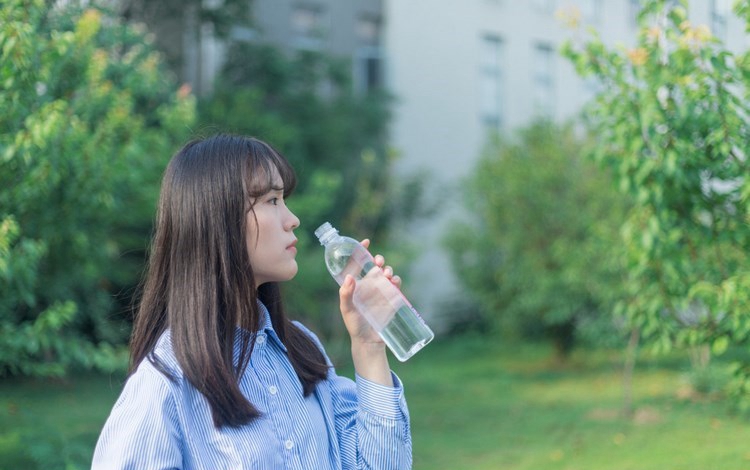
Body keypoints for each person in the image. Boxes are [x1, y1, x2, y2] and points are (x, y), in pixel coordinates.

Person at [92, 134, 412, 469]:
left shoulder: (302, 352)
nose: (292, 219)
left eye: (283, 198)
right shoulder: (168, 378)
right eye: (272, 200)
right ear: (218, 219)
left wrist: (368, 345)